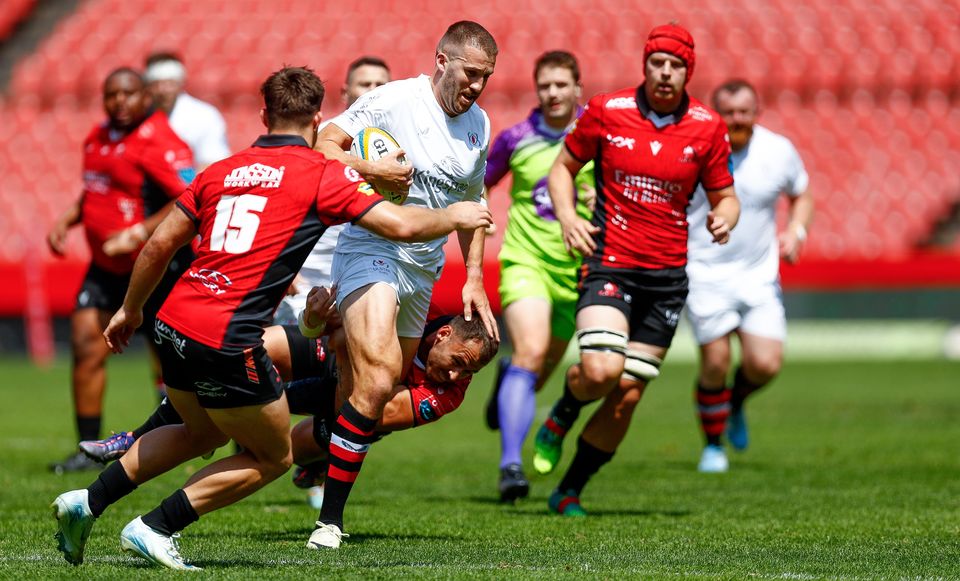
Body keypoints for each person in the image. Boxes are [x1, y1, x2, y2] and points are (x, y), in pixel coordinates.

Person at [50, 65, 492, 570]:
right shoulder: (322, 174)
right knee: (273, 456)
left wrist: (131, 309)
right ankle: (154, 527)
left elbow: (156, 245)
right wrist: (455, 216)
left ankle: (87, 502)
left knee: (202, 434)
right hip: (227, 337)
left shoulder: (221, 169)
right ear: (319, 118)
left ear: (263, 114)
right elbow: (402, 224)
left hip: (173, 321)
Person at [531, 23, 740, 516]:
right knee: (602, 369)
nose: (666, 73)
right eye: (657, 63)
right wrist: (567, 217)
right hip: (611, 263)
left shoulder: (708, 127)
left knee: (626, 395)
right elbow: (562, 168)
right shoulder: (607, 111)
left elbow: (726, 196)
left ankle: (570, 490)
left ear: (689, 71)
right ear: (645, 65)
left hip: (666, 279)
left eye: (676, 66)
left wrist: (723, 218)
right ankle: (563, 412)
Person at [310, 20, 499, 549]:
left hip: (424, 267)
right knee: (377, 382)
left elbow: (473, 207)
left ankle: (282, 418)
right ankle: (329, 523)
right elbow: (322, 147)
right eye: (470, 73)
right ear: (442, 60)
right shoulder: (394, 100)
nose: (477, 87)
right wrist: (371, 168)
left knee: (369, 393)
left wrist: (476, 279)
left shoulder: (479, 125)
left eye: (486, 77)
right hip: (372, 249)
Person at [46, 67, 195, 473]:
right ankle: (85, 447)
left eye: (128, 94)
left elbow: (188, 194)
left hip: (155, 269)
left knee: (173, 362)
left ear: (144, 96)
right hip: (104, 269)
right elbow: (97, 186)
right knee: (85, 347)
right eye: (112, 95)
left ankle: (181, 437)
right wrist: (69, 218)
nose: (120, 102)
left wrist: (138, 233)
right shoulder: (98, 136)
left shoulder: (160, 139)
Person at [481, 50, 594, 502]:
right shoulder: (516, 138)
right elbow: (482, 181)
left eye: (561, 85)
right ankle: (511, 465)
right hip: (526, 259)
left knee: (541, 369)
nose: (552, 93)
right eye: (544, 85)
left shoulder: (598, 135)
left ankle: (508, 378)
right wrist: (483, 211)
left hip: (578, 271)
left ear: (577, 89)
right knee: (531, 351)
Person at [686, 79, 814, 473]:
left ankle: (734, 401)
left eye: (744, 111)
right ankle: (713, 446)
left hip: (759, 277)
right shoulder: (695, 149)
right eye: (728, 112)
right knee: (716, 361)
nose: (736, 119)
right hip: (704, 272)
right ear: (714, 113)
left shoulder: (778, 151)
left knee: (766, 364)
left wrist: (796, 230)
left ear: (757, 113)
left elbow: (802, 193)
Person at [276, 56, 391, 326]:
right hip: (307, 282)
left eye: (381, 84)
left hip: (368, 278)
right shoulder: (319, 139)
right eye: (365, 83)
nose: (373, 90)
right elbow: (284, 203)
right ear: (344, 92)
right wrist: (289, 275)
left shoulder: (400, 143)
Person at [143, 52, 231, 170]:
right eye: (156, 84)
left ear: (180, 83)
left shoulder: (204, 116)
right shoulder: (140, 116)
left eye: (169, 83)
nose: (162, 90)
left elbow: (213, 163)